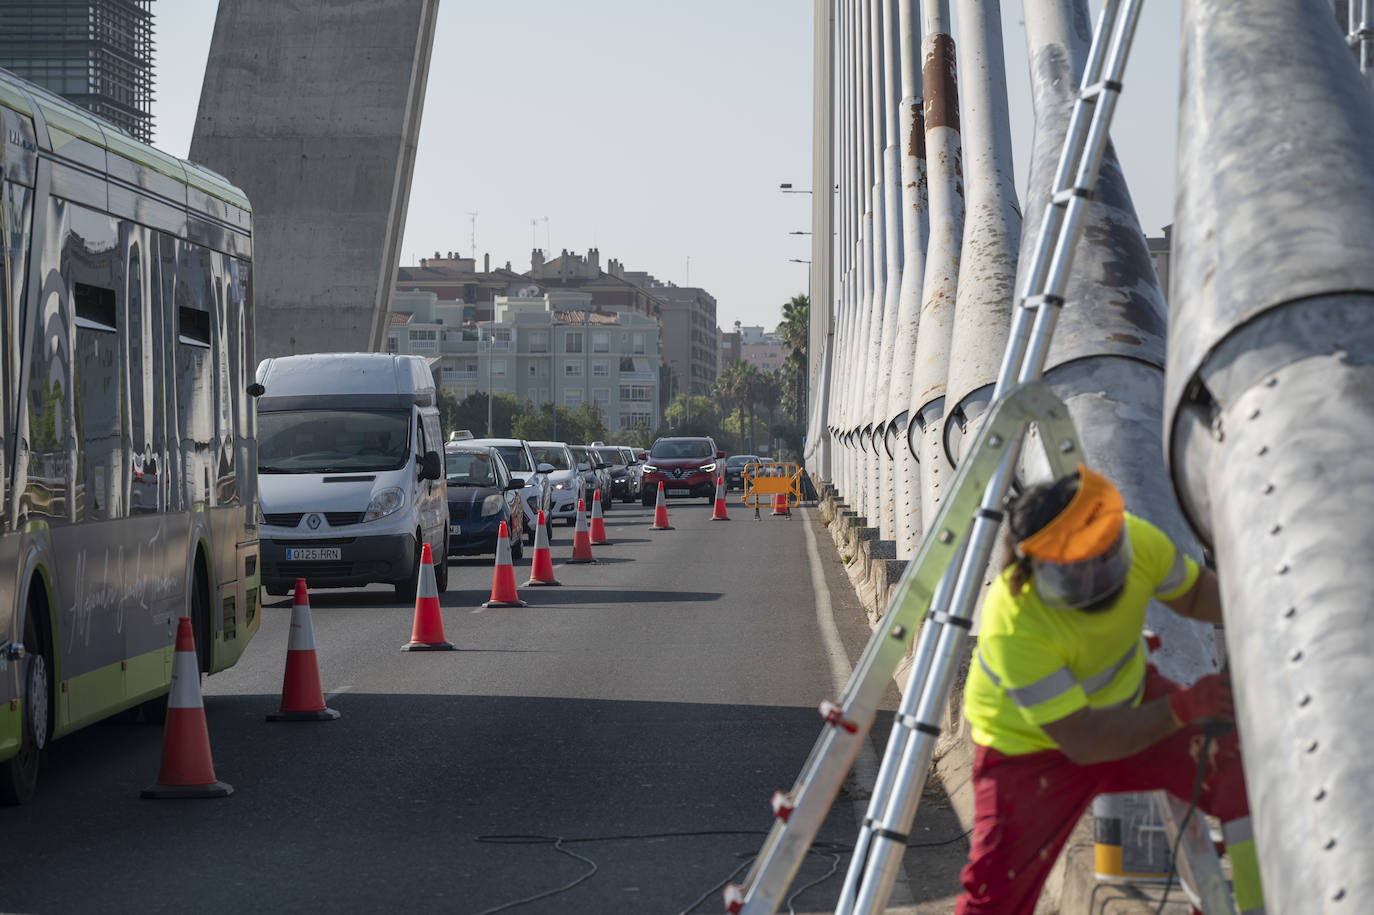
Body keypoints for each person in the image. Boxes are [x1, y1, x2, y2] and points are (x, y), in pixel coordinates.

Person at [954, 464, 1265, 915]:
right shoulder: (1014, 619)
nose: (1102, 575)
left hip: (1131, 706)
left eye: (1107, 556)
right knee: (996, 896)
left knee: (1235, 767)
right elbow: (1084, 739)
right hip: (1030, 753)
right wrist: (1183, 707)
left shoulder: (1133, 539)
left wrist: (1254, 601)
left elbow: (1195, 596)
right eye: (1080, 569)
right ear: (1037, 566)